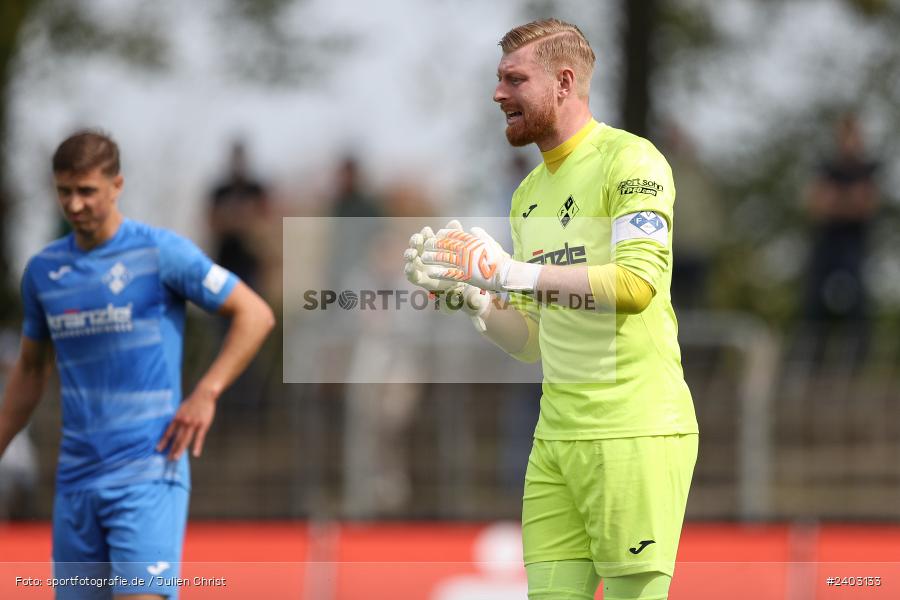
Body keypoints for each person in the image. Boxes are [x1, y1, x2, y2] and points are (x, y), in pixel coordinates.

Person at [404, 19, 697, 600]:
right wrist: (472, 298)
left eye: (514, 79)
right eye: (498, 79)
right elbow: (531, 339)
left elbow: (637, 284)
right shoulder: (526, 194)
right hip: (556, 441)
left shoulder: (631, 161)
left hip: (633, 431)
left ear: (564, 82)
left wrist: (507, 273)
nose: (498, 94)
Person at [0, 130, 275, 599]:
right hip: (76, 480)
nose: (75, 204)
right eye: (64, 191)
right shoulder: (44, 273)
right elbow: (30, 371)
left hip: (148, 473)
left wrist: (206, 392)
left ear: (117, 185)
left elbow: (255, 314)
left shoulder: (160, 253)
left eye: (86, 190)